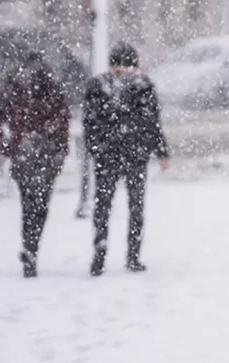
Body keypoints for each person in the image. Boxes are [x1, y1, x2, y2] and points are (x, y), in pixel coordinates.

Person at [83, 42, 169, 277]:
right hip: (135, 155)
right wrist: (161, 150)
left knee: (103, 205)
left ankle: (100, 250)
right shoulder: (142, 85)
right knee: (136, 206)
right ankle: (133, 255)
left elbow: (89, 122)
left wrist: (96, 149)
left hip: (107, 155)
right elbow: (152, 122)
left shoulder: (97, 85)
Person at [0, 51, 70, 277]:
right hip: (46, 154)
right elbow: (63, 123)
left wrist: (8, 146)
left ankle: (29, 247)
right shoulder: (52, 89)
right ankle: (32, 247)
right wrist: (60, 151)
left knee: (28, 204)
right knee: (40, 206)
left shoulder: (13, 89)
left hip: (24, 154)